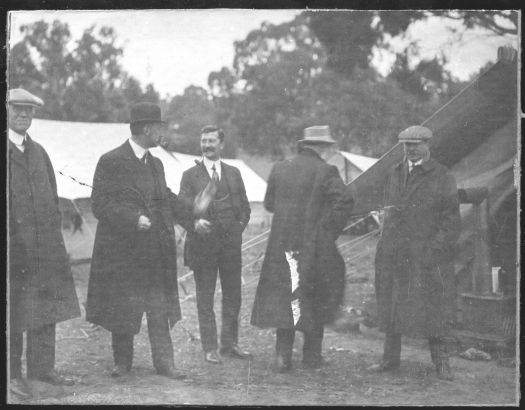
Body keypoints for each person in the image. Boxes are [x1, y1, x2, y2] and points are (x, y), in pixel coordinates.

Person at [85, 102, 191, 379]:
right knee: (123, 308)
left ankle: (165, 364)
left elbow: (165, 198)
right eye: (159, 128)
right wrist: (133, 219)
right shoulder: (111, 161)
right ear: (146, 129)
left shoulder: (155, 164)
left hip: (155, 253)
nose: (161, 133)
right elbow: (100, 204)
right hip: (125, 254)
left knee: (159, 308)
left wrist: (193, 210)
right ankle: (122, 363)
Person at [251, 125, 354, 372]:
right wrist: (326, 232)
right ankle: (311, 357)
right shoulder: (326, 171)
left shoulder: (280, 168)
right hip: (314, 247)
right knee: (315, 297)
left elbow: (269, 204)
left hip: (281, 246)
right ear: (322, 148)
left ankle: (282, 357)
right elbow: (345, 201)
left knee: (285, 298)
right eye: (328, 147)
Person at [8, 88, 81, 398]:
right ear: (6, 111)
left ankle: (42, 368)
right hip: (14, 251)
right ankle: (12, 374)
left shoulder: (39, 153)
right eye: (17, 109)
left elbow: (52, 198)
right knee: (14, 312)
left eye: (28, 110)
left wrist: (55, 242)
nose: (23, 114)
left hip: (44, 248)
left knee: (45, 307)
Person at [373, 125, 460, 380]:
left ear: (427, 145)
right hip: (395, 253)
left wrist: (434, 250)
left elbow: (451, 220)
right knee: (392, 304)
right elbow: (390, 210)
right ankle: (390, 360)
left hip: (427, 256)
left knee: (435, 308)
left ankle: (442, 363)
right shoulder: (394, 173)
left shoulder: (442, 175)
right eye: (406, 145)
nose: (410, 149)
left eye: (415, 144)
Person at [179, 126, 252, 364]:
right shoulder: (190, 175)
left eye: (211, 141)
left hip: (230, 246)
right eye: (203, 141)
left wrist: (237, 229)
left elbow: (245, 208)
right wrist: (195, 222)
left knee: (233, 296)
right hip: (203, 246)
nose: (207, 145)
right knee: (205, 298)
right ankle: (210, 348)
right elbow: (181, 209)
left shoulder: (234, 172)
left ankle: (230, 345)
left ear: (221, 143)